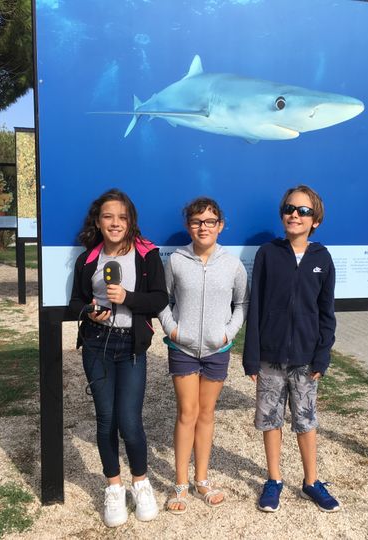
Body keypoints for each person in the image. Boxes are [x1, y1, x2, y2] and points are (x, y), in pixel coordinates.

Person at [68, 188, 168, 527]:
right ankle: (113, 488)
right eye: (108, 216)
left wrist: (127, 297)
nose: (115, 223)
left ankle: (141, 483)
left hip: (131, 347)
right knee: (106, 420)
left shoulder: (147, 255)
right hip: (97, 345)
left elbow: (158, 300)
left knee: (130, 421)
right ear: (98, 221)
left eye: (122, 217)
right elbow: (74, 303)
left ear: (131, 221)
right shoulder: (87, 259)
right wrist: (88, 311)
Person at [243, 184, 340, 513]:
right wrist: (251, 357)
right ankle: (274, 480)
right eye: (289, 208)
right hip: (270, 357)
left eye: (303, 211)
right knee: (270, 420)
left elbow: (327, 313)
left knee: (305, 421)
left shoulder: (322, 259)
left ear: (316, 220)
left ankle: (312, 481)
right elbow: (255, 307)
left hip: (305, 359)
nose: (294, 215)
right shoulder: (268, 254)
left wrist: (322, 355)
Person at [158, 197, 248, 514]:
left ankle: (203, 479)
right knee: (187, 412)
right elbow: (163, 300)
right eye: (197, 221)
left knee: (207, 414)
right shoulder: (177, 261)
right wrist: (173, 330)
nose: (203, 227)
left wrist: (228, 333)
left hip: (216, 350)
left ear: (220, 226)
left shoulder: (233, 265)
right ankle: (180, 484)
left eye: (210, 221)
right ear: (189, 226)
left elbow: (242, 304)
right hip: (182, 349)